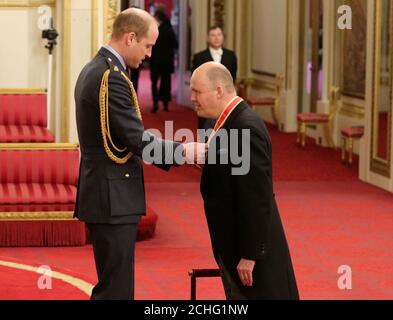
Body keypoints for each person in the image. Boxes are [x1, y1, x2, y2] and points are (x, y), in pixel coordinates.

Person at [74, 8, 206, 300]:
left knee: (114, 285)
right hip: (112, 196)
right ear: (130, 38)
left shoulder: (97, 69)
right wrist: (185, 150)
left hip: (106, 192)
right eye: (147, 45)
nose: (148, 54)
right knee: (116, 291)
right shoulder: (111, 77)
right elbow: (136, 140)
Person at [190, 62, 299, 300]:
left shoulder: (245, 127)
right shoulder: (225, 122)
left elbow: (257, 196)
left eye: (197, 91)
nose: (192, 98)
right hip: (232, 245)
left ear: (218, 90)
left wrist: (250, 255)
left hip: (249, 255)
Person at [192, 26, 238, 131]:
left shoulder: (231, 56)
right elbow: (195, 80)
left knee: (227, 129)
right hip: (206, 99)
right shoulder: (199, 57)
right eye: (213, 35)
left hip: (225, 99)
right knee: (205, 130)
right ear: (208, 38)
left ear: (223, 38)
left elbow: (232, 78)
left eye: (219, 35)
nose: (216, 38)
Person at [150, 8, 178, 113]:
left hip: (156, 60)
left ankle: (155, 104)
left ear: (157, 17)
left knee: (154, 83)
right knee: (166, 82)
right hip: (167, 61)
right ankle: (166, 105)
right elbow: (175, 44)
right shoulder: (169, 29)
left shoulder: (153, 30)